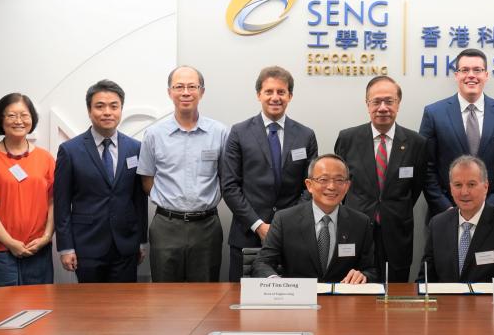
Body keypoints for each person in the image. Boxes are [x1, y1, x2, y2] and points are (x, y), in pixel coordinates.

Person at [222, 66, 318, 281]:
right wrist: (258, 225)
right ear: (259, 95)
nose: (275, 97)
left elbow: (310, 186)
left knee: (290, 307)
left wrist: (284, 223)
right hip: (247, 234)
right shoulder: (239, 132)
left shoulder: (306, 135)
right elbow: (229, 186)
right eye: (269, 91)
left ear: (290, 96)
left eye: (281, 92)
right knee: (241, 304)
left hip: (292, 236)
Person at [137, 66, 229, 282]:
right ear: (169, 92)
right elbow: (147, 181)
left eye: (192, 86)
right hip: (166, 226)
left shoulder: (220, 133)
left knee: (206, 296)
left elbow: (227, 179)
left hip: (206, 227)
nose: (185, 92)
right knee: (165, 297)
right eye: (179, 87)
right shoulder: (154, 134)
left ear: (202, 91)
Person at [334, 76, 427, 282]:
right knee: (354, 290)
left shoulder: (416, 143)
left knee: (394, 292)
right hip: (355, 230)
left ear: (398, 104)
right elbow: (339, 184)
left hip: (397, 232)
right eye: (376, 102)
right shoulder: (348, 139)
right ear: (367, 104)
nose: (383, 107)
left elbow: (416, 187)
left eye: (389, 101)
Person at [54, 80, 148, 283]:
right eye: (100, 106)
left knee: (125, 307)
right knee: (90, 310)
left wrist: (141, 241)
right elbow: (62, 203)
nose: (107, 112)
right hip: (87, 245)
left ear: (121, 110)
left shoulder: (135, 148)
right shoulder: (70, 151)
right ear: (89, 111)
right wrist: (66, 247)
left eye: (114, 106)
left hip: (125, 245)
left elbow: (139, 199)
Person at [419, 48, 494, 218]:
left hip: (492, 217)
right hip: (445, 215)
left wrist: (489, 208)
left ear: (486, 75)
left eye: (477, 70)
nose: (471, 75)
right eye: (465, 70)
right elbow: (426, 167)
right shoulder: (434, 113)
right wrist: (446, 208)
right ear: (456, 75)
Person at [0, 93, 55, 288]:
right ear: (1, 120)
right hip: (0, 252)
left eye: (24, 115)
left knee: (40, 311)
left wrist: (46, 237)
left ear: (32, 119)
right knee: (0, 312)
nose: (19, 121)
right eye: (11, 116)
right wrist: (10, 242)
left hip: (38, 251)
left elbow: (53, 202)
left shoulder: (45, 159)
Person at [252, 154, 376, 283]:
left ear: (347, 186)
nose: (332, 187)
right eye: (323, 179)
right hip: (299, 298)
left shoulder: (361, 222)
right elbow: (262, 263)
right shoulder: (284, 220)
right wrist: (278, 283)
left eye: (339, 180)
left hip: (342, 299)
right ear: (309, 185)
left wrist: (363, 276)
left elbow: (371, 269)